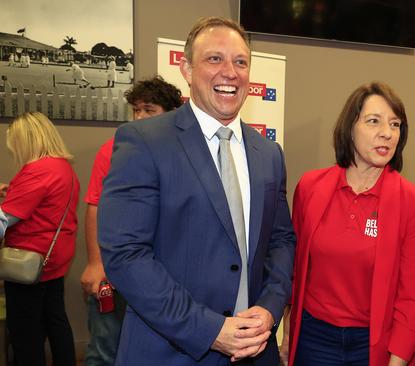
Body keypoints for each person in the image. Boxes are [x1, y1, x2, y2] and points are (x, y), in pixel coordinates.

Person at [97, 16, 296, 365]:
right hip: (169, 351)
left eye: (240, 61)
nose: (230, 72)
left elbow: (281, 242)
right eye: (214, 59)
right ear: (187, 69)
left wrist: (269, 308)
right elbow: (126, 255)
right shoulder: (144, 141)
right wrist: (208, 330)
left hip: (255, 351)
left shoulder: (268, 155)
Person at [281, 82, 415, 366]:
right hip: (313, 338)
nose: (387, 133)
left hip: (373, 345)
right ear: (350, 128)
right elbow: (296, 271)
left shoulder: (414, 202)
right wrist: (288, 331)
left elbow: (413, 299)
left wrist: (397, 361)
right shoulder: (311, 187)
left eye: (395, 124)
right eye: (373, 121)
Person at [81, 75, 183, 366]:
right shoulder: (114, 148)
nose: (139, 116)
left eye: (148, 109)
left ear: (171, 112)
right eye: (136, 109)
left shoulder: (186, 151)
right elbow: (95, 206)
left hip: (165, 275)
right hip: (117, 272)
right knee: (105, 348)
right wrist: (95, 263)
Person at [0, 111, 80, 366]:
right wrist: (12, 190)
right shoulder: (62, 167)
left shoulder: (36, 170)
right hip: (52, 261)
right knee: (55, 321)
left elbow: (4, 220)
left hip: (28, 264)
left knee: (26, 334)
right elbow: (46, 205)